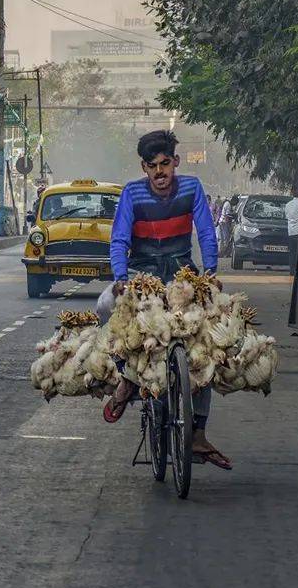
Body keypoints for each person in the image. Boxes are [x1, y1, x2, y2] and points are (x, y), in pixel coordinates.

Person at [98, 130, 231, 470]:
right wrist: (120, 280)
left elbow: (205, 231)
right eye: (152, 166)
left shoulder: (192, 189)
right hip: (141, 275)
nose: (160, 173)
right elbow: (119, 241)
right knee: (103, 307)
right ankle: (127, 378)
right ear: (144, 167)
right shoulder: (131, 193)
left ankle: (198, 431)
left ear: (176, 162)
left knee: (204, 345)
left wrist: (211, 270)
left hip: (183, 275)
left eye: (165, 164)